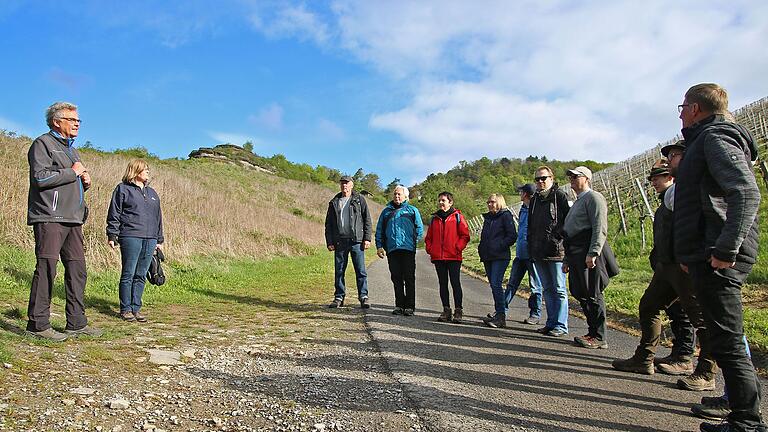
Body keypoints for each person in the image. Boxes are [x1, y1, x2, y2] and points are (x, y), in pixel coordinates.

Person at [674, 83, 765, 432]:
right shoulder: (708, 139)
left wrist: (725, 249)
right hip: (706, 251)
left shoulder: (715, 138)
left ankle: (747, 422)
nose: (680, 113)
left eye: (682, 107)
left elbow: (745, 192)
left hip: (718, 255)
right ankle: (738, 404)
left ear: (695, 108)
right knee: (724, 337)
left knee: (727, 340)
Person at [612, 158, 698, 372]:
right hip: (665, 266)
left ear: (670, 177)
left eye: (657, 178)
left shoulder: (681, 197)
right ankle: (646, 358)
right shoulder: (665, 202)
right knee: (650, 306)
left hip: (681, 265)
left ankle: (688, 359)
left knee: (690, 314)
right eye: (651, 179)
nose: (653, 182)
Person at [26, 101, 102, 341]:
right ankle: (38, 324)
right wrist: (74, 173)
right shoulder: (42, 144)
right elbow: (40, 178)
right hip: (50, 216)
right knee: (47, 268)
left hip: (73, 219)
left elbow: (68, 179)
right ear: (57, 122)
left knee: (77, 270)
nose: (77, 123)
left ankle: (76, 322)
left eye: (78, 120)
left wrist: (84, 183)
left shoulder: (71, 149)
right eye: (72, 119)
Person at [562, 166, 614, 349]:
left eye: (576, 177)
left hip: (587, 252)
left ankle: (599, 336)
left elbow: (600, 227)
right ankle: (592, 331)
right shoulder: (577, 201)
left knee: (592, 292)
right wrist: (567, 259)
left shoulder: (594, 198)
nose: (572, 180)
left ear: (587, 179)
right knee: (579, 291)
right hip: (575, 252)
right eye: (571, 177)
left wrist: (593, 252)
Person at [106, 159, 165, 322]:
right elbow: (114, 213)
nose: (148, 172)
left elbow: (158, 217)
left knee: (141, 274)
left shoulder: (152, 193)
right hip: (130, 236)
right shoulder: (122, 189)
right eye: (145, 169)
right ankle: (125, 309)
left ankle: (136, 308)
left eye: (148, 169)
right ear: (136, 171)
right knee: (128, 273)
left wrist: (159, 239)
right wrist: (112, 234)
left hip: (150, 238)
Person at [527, 166, 570, 337]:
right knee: (547, 289)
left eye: (543, 178)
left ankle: (561, 325)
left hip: (556, 251)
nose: (540, 182)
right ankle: (551, 322)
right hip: (538, 251)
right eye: (537, 179)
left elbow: (567, 221)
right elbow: (531, 225)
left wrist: (557, 238)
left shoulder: (560, 196)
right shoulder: (535, 199)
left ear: (551, 178)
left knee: (559, 289)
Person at [324, 175, 372, 309]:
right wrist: (330, 241)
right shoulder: (334, 201)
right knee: (339, 271)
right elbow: (329, 224)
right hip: (340, 242)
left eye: (347, 183)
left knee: (360, 270)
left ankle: (363, 297)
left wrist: (367, 238)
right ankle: (339, 297)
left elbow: (367, 219)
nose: (344, 185)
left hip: (356, 241)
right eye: (342, 183)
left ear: (352, 185)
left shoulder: (359, 199)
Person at [375, 186, 424, 316]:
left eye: (399, 195)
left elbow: (419, 229)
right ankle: (399, 305)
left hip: (408, 249)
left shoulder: (412, 211)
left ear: (405, 197)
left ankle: (409, 306)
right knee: (396, 278)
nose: (397, 196)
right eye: (395, 194)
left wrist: (414, 243)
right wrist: (379, 246)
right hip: (392, 250)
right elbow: (379, 230)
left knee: (409, 278)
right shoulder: (386, 212)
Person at [424, 192, 470, 323]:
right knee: (442, 284)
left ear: (450, 202)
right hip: (438, 257)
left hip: (454, 257)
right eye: (439, 200)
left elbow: (465, 235)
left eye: (443, 200)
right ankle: (446, 310)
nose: (440, 203)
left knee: (455, 283)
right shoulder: (435, 219)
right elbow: (429, 238)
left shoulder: (458, 217)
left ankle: (458, 310)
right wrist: (430, 249)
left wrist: (457, 248)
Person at [502, 184, 543, 324]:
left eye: (521, 191)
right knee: (512, 284)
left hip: (533, 255)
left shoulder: (537, 210)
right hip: (520, 254)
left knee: (535, 286)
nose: (519, 193)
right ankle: (501, 311)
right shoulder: (523, 209)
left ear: (525, 194)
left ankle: (535, 314)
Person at [478, 194, 516, 328]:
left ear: (499, 202)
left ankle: (501, 316)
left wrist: (499, 246)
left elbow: (512, 236)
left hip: (500, 256)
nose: (489, 204)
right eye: (488, 202)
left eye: (492, 202)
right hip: (488, 256)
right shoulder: (488, 218)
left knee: (496, 283)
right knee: (493, 285)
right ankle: (498, 313)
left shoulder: (506, 216)